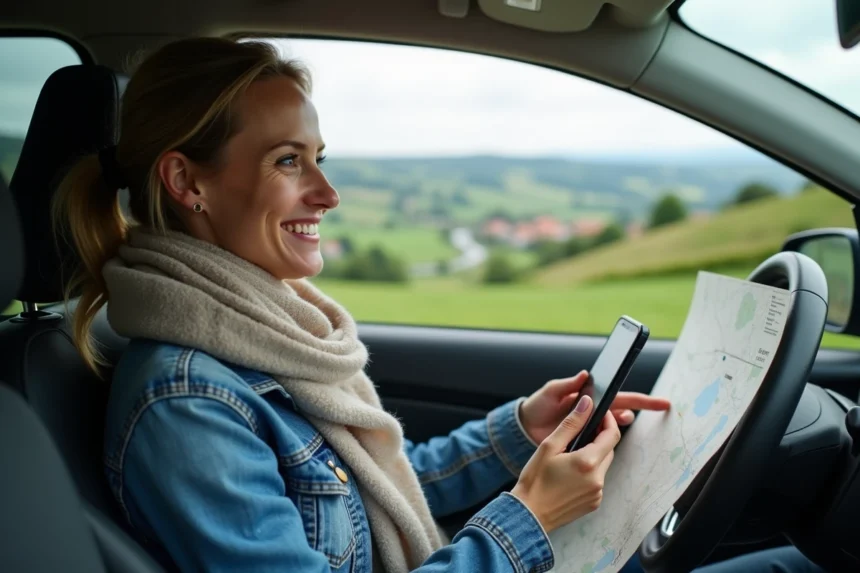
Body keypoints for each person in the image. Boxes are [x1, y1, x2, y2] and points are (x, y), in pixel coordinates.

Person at [51, 37, 824, 573]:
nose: (329, 194)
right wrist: (530, 515)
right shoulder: (186, 397)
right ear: (188, 183)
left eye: (319, 159)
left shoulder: (265, 331)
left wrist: (519, 433)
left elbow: (369, 487)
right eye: (290, 162)